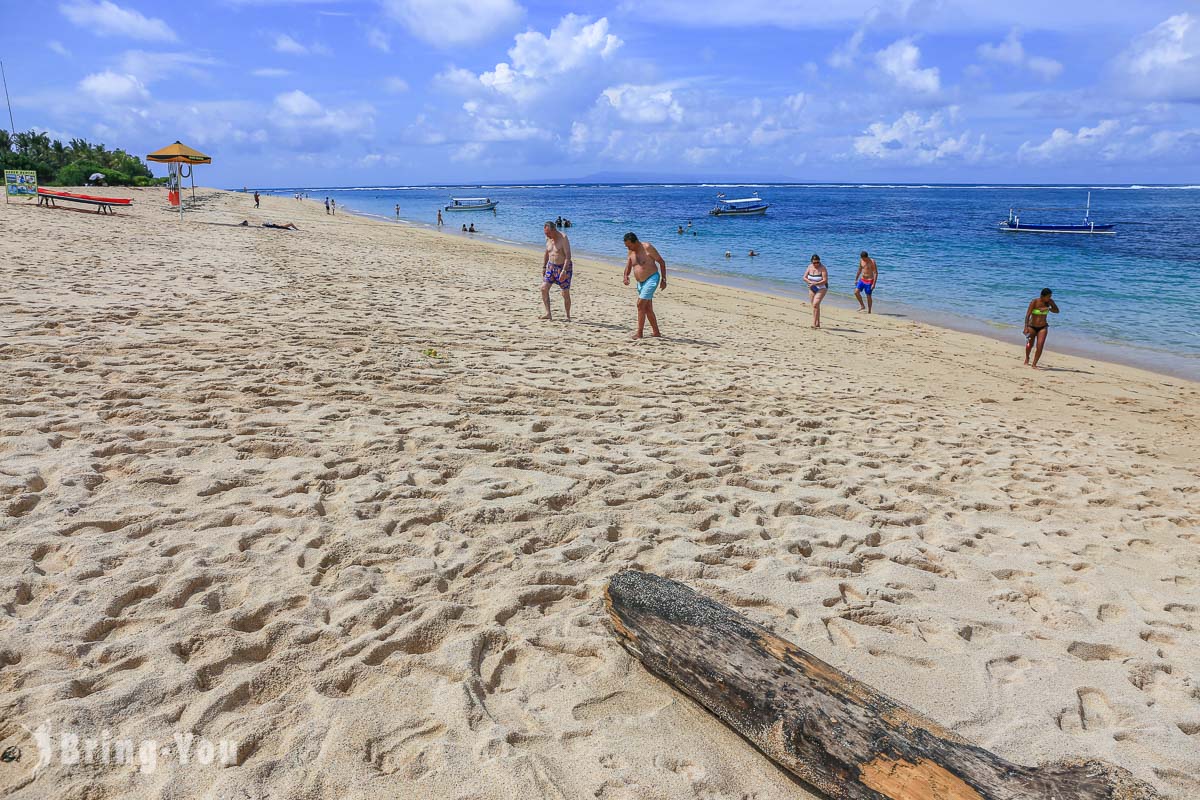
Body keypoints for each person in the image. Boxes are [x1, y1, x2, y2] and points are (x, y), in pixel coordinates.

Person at [622, 232, 667, 339]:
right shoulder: (631, 251)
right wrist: (625, 276)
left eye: (629, 245)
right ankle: (656, 332)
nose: (628, 247)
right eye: (626, 246)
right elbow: (629, 265)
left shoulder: (647, 247)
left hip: (652, 278)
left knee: (640, 304)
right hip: (640, 283)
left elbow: (662, 262)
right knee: (647, 308)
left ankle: (639, 333)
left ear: (635, 242)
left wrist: (663, 279)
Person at [540, 221, 573, 321]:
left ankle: (567, 316)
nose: (547, 235)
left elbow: (568, 256)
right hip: (551, 266)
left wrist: (564, 271)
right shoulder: (548, 238)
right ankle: (548, 313)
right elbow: (547, 253)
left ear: (554, 230)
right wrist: (544, 267)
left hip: (563, 267)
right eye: (546, 233)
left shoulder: (563, 238)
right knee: (543, 288)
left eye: (548, 233)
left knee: (565, 293)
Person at [1023, 288, 1059, 369]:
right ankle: (1027, 357)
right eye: (1048, 296)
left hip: (1043, 327)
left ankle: (1034, 364)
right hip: (1031, 326)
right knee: (1029, 345)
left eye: (1050, 296)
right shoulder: (1034, 302)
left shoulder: (1050, 302)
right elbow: (1028, 315)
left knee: (1040, 346)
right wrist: (1025, 327)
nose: (1050, 298)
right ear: (1042, 296)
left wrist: (1048, 308)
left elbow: (1057, 311)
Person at [804, 254, 829, 329]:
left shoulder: (823, 268)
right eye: (814, 263)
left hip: (822, 287)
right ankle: (817, 323)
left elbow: (825, 280)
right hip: (812, 287)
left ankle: (814, 324)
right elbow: (804, 277)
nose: (816, 264)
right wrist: (810, 282)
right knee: (815, 306)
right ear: (812, 262)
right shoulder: (809, 267)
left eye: (817, 262)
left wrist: (815, 283)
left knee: (816, 304)